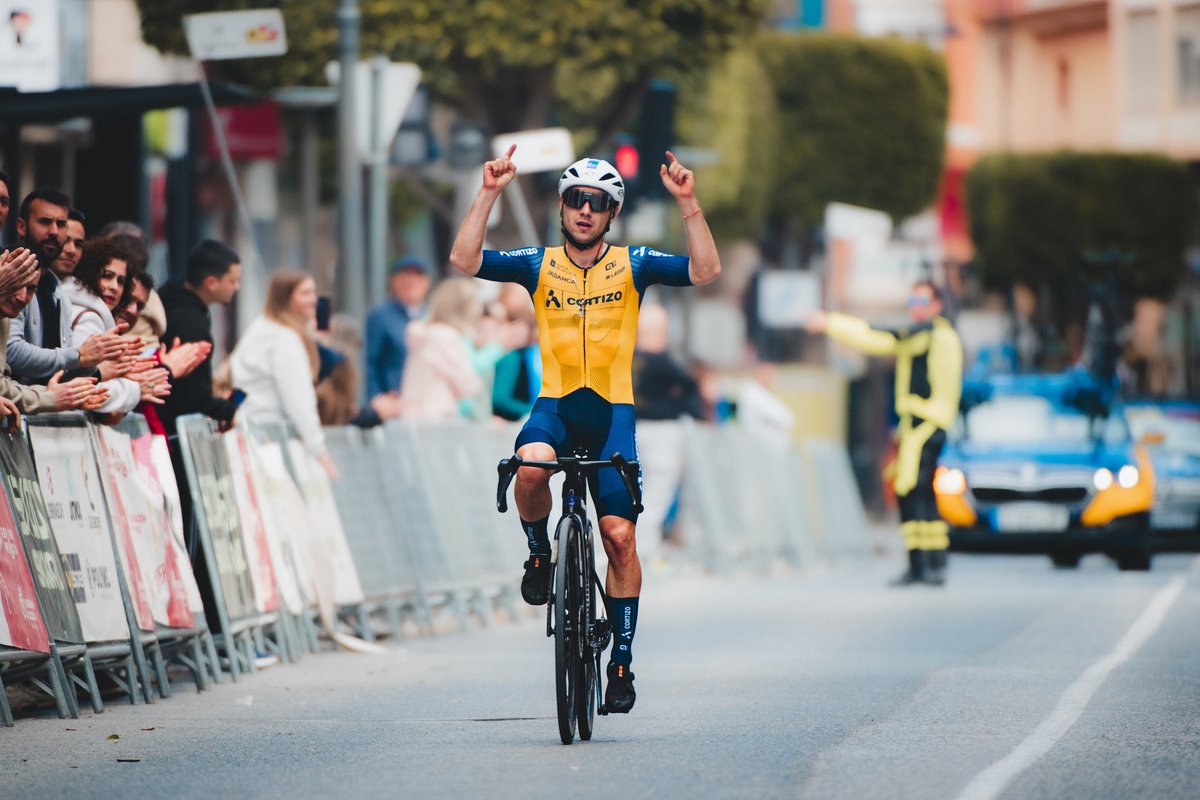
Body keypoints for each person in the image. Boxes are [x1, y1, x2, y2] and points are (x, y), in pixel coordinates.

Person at [448, 147, 720, 713]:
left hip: (613, 415)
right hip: (556, 406)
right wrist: (488, 192)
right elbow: (464, 260)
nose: (584, 211)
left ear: (611, 214)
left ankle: (620, 659)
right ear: (563, 207)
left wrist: (688, 204)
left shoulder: (635, 264)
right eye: (575, 200)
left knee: (620, 537)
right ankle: (539, 556)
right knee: (529, 468)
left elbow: (705, 271)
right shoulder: (534, 263)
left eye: (597, 204)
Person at [806, 280, 963, 586]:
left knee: (909, 489)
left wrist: (830, 323)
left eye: (921, 302)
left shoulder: (927, 334)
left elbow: (877, 338)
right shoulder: (943, 335)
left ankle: (922, 566)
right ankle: (934, 562)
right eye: (912, 301)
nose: (915, 309)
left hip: (923, 423)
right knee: (922, 493)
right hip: (929, 423)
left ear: (936, 306)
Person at [7, 188, 133, 383]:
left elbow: (59, 377)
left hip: (41, 408)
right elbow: (11, 352)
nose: (54, 232)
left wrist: (93, 359)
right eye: (45, 222)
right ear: (22, 227)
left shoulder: (58, 293)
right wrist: (78, 356)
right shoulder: (10, 278)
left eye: (61, 224)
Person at [229, 271, 337, 478]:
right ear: (286, 297)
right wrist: (319, 450)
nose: (313, 299)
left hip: (252, 434)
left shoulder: (262, 327)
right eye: (304, 293)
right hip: (268, 440)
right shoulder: (283, 338)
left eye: (313, 292)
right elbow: (298, 399)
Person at [61, 237, 169, 419]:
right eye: (107, 276)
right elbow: (85, 389)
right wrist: (135, 388)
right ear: (91, 273)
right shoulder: (89, 318)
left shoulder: (100, 318)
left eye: (121, 281)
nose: (114, 287)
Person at [0, 247, 110, 414]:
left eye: (30, 288)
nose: (21, 296)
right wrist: (78, 356)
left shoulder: (6, 317)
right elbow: (13, 355)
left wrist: (57, 395)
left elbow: (3, 384)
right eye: (14, 284)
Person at [157, 239, 242, 437]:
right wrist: (228, 409)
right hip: (172, 437)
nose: (237, 287)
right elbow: (192, 398)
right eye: (232, 281)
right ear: (211, 283)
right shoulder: (191, 325)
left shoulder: (173, 302)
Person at [397, 276, 484, 421]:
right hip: (437, 419)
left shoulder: (426, 333)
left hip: (415, 418)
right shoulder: (445, 337)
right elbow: (469, 384)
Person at [364, 256, 431, 400]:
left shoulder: (432, 316)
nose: (411, 281)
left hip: (428, 401)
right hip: (395, 400)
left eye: (417, 276)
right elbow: (370, 362)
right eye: (405, 275)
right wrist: (376, 398)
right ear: (394, 280)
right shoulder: (380, 316)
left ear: (426, 282)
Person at [51, 208, 86, 280]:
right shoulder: (24, 285)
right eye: (65, 240)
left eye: (78, 244)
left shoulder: (85, 290)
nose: (72, 250)